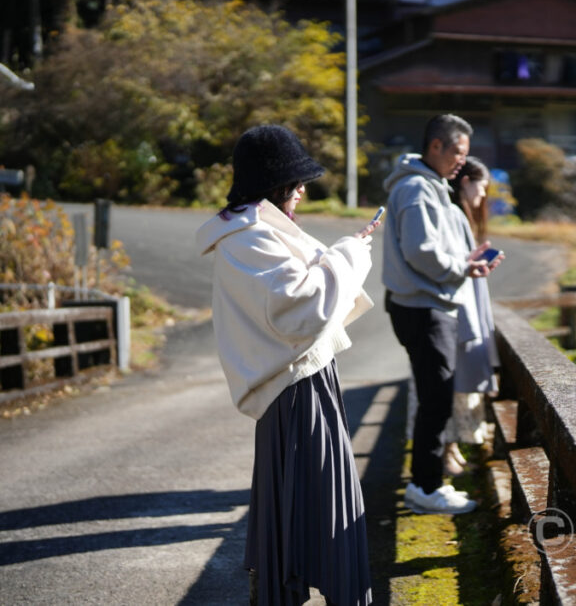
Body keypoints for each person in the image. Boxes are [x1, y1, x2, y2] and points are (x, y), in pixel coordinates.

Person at [196, 125, 378, 606]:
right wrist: (351, 254)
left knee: (305, 510)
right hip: (295, 388)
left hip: (302, 383)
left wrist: (347, 252)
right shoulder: (247, 238)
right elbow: (302, 309)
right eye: (294, 182)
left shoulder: (253, 231)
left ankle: (287, 591)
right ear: (271, 185)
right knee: (331, 513)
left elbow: (303, 294)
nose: (302, 191)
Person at [381, 114, 499, 515]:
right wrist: (462, 268)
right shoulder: (417, 188)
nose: (461, 163)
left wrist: (466, 263)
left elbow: (430, 248)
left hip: (426, 304)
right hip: (424, 306)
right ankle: (425, 487)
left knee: (436, 397)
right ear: (436, 146)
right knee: (435, 399)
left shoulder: (428, 186)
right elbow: (421, 251)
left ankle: (426, 484)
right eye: (458, 153)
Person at [444, 156, 500, 474]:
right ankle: (446, 452)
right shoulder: (453, 214)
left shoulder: (456, 214)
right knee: (451, 386)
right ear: (465, 182)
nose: (482, 196)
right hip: (456, 312)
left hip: (457, 309)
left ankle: (451, 450)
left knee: (453, 386)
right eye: (481, 188)